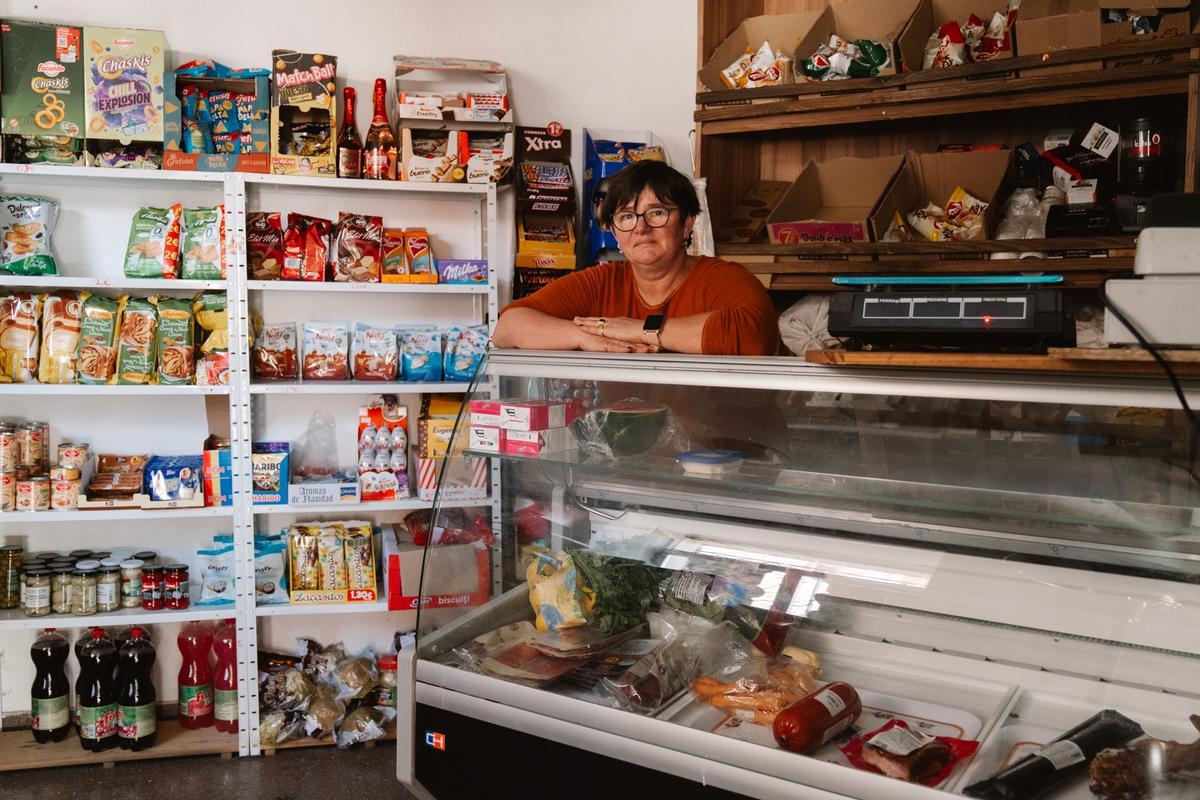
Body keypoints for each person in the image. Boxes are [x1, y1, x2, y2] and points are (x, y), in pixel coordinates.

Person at [494, 160, 779, 356]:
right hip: (631, 435)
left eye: (657, 213)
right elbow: (508, 327)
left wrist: (641, 330)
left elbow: (751, 334)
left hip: (725, 439)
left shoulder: (723, 278)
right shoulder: (600, 282)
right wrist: (583, 337)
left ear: (687, 223)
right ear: (616, 233)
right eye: (627, 217)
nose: (641, 228)